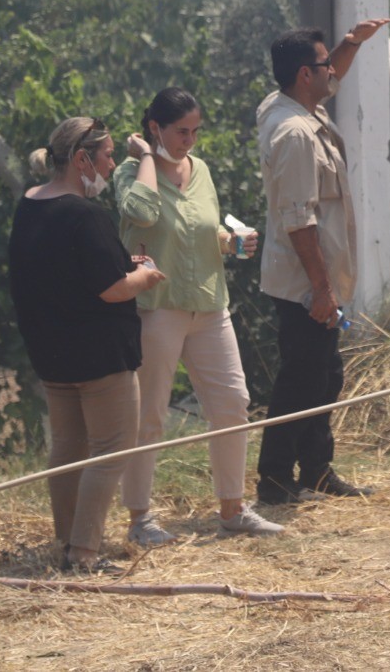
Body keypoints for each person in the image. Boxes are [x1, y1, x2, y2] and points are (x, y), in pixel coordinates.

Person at [113, 87, 282, 541]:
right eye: (180, 132)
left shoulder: (201, 169)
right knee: (149, 414)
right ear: (155, 128)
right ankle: (139, 519)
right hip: (156, 308)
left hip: (209, 303)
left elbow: (201, 229)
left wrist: (232, 243)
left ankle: (232, 508)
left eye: (194, 132)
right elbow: (142, 213)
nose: (189, 141)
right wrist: (148, 156)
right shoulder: (131, 172)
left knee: (232, 404)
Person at [8, 117, 166, 572]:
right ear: (82, 160)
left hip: (51, 352)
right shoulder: (86, 213)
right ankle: (85, 551)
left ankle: (67, 542)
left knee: (68, 449)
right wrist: (145, 275)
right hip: (99, 355)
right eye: (108, 156)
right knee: (111, 449)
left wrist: (123, 267)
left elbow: (66, 270)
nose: (113, 163)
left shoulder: (31, 204)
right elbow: (113, 288)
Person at [254, 18, 390, 505]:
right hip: (303, 283)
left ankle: (315, 470)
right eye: (323, 65)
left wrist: (350, 43)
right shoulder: (294, 133)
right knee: (302, 378)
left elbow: (327, 73)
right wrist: (323, 289)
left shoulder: (290, 104)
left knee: (324, 375)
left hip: (310, 281)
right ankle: (274, 479)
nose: (333, 70)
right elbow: (299, 219)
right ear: (302, 76)